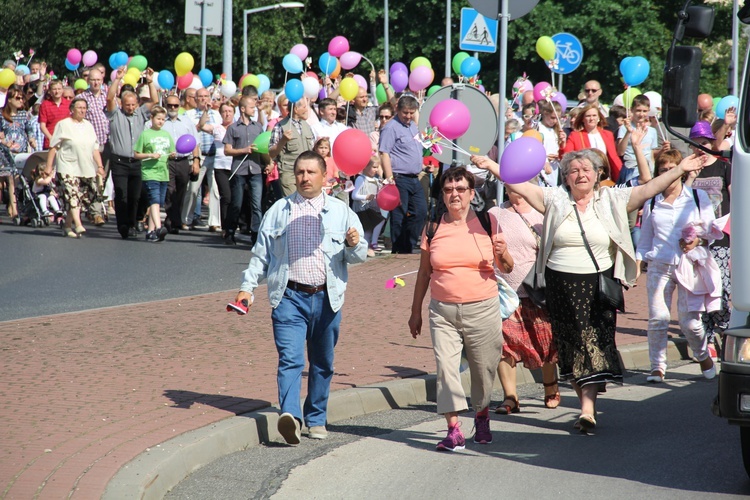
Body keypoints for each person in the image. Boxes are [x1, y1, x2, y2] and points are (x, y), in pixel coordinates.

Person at [472, 148, 704, 433]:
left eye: (587, 170)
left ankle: (587, 409)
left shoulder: (611, 199)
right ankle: (584, 401)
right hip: (560, 285)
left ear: (597, 175)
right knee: (571, 346)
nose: (581, 174)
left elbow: (648, 189)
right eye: (574, 171)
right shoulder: (554, 199)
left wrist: (681, 168)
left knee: (594, 342)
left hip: (597, 283)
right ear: (566, 178)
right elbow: (516, 182)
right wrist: (491, 163)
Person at [233, 150, 367, 445]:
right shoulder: (279, 211)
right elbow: (261, 255)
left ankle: (316, 419)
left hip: (327, 298)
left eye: (311, 172)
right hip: (289, 296)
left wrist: (354, 244)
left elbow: (358, 256)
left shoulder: (341, 211)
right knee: (291, 358)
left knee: (322, 362)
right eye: (300, 172)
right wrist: (247, 287)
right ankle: (290, 416)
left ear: (324, 176)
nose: (305, 178)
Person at [408, 166, 513, 450]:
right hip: (443, 311)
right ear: (442, 194)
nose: (455, 194)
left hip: (483, 308)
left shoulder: (487, 222)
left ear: (471, 193)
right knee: (446, 368)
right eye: (448, 189)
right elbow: (423, 274)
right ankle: (453, 428)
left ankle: (481, 415)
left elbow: (507, 267)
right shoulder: (432, 227)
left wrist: (502, 253)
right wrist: (415, 311)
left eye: (460, 189)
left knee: (483, 369)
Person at [635, 149, 720, 383]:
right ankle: (657, 368)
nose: (669, 173)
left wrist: (697, 240)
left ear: (682, 171)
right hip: (659, 265)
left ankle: (703, 355)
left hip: (689, 265)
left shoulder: (696, 197)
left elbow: (712, 231)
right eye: (664, 170)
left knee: (690, 323)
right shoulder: (653, 201)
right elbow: (645, 238)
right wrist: (637, 263)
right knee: (658, 318)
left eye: (673, 168)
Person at [489, 184, 559, 414]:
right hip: (505, 293)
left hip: (536, 291)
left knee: (545, 341)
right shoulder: (495, 214)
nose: (513, 189)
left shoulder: (541, 213)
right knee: (503, 345)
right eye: (509, 185)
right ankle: (510, 397)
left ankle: (550, 387)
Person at [686, 121, 732, 355]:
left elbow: (735, 200)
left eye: (704, 142)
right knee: (700, 289)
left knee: (721, 287)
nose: (700, 147)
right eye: (696, 144)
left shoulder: (724, 166)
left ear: (711, 142)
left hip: (722, 236)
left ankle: (725, 328)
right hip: (698, 240)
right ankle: (707, 338)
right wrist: (690, 176)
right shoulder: (688, 169)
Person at [106, 67, 157, 239]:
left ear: (137, 104)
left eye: (133, 104)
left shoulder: (140, 114)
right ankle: (123, 225)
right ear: (122, 103)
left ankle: (134, 222)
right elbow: (109, 98)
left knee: (136, 196)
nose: (130, 107)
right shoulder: (115, 114)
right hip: (119, 161)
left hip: (137, 161)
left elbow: (155, 101)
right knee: (122, 195)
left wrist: (150, 82)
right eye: (127, 104)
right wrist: (117, 80)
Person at [44, 99, 105, 238]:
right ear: (72, 109)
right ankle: (78, 224)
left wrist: (100, 166)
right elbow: (54, 146)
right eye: (79, 108)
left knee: (81, 198)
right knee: (72, 196)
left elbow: (95, 149)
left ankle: (67, 226)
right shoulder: (63, 124)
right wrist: (48, 166)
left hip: (85, 167)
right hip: (68, 166)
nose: (82, 110)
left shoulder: (88, 126)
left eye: (84, 108)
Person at [379, 95, 425, 254]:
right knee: (399, 217)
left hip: (414, 178)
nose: (408, 116)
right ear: (398, 110)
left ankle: (407, 247)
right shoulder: (391, 127)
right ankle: (399, 251)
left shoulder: (412, 125)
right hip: (399, 178)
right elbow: (384, 153)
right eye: (405, 112)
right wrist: (389, 178)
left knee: (420, 212)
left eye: (412, 113)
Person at [222, 94, 264, 245]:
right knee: (236, 204)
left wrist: (269, 163)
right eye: (252, 107)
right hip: (239, 170)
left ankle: (256, 235)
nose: (254, 110)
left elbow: (263, 146)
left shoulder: (258, 127)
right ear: (243, 109)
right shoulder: (233, 128)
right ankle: (230, 232)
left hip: (256, 170)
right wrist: (244, 150)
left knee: (256, 205)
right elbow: (227, 150)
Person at [133, 105, 175, 242]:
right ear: (151, 118)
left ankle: (150, 231)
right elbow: (136, 154)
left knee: (157, 203)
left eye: (163, 119)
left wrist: (173, 154)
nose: (161, 121)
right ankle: (159, 228)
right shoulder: (145, 134)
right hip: (150, 172)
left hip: (163, 172)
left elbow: (171, 152)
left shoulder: (166, 135)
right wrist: (150, 155)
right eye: (158, 119)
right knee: (155, 200)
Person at [161, 93, 200, 234]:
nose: (172, 107)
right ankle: (173, 221)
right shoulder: (161, 121)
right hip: (167, 161)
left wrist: (196, 160)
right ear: (165, 106)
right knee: (170, 190)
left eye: (175, 105)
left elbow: (194, 142)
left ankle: (172, 218)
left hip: (184, 160)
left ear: (180, 106)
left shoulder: (186, 121)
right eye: (169, 105)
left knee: (181, 190)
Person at [185, 87, 222, 229]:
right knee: (193, 189)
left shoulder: (217, 115)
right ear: (195, 99)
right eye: (200, 96)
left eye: (206, 96)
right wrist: (204, 114)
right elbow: (194, 130)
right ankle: (186, 219)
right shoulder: (189, 114)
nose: (203, 99)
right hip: (198, 155)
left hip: (214, 154)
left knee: (215, 190)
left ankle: (214, 222)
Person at [563, 104, 623, 182]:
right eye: (588, 116)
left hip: (605, 177)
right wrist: (562, 144)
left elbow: (613, 157)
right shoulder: (575, 135)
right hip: (585, 176)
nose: (591, 118)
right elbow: (567, 156)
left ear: (599, 118)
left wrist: (620, 172)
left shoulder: (608, 134)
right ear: (583, 119)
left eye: (594, 115)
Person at [268, 98, 315, 196]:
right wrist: (283, 140)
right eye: (304, 107)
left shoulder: (307, 126)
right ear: (296, 109)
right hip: (289, 174)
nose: (306, 110)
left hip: (306, 174)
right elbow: (271, 153)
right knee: (293, 204)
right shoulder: (280, 126)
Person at [351, 156, 385, 257]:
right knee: (379, 220)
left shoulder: (375, 180)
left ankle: (366, 249)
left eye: (377, 167)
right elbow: (354, 195)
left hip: (371, 208)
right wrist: (366, 196)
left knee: (368, 230)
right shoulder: (361, 179)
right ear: (365, 167)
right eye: (374, 167)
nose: (376, 170)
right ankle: (373, 243)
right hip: (362, 209)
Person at [38, 80, 71, 150]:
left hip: (66, 141)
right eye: (54, 89)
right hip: (50, 142)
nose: (57, 91)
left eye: (59, 89)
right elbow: (42, 126)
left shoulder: (69, 104)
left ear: (62, 90)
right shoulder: (45, 105)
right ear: (50, 91)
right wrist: (51, 138)